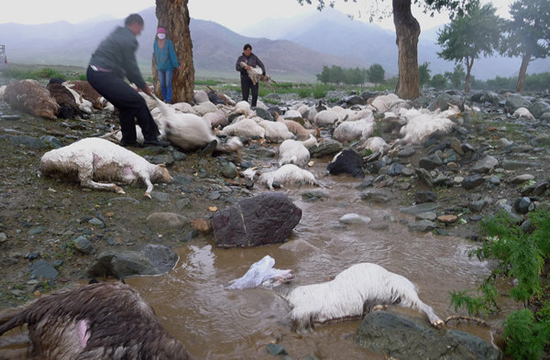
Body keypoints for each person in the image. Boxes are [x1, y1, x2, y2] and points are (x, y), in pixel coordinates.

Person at [87, 13, 168, 147]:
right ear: (135, 24)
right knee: (138, 101)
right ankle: (151, 138)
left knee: (126, 104)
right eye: (140, 29)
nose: (140, 33)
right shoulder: (128, 38)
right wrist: (142, 85)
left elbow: (124, 64)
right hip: (103, 74)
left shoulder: (119, 35)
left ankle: (129, 140)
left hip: (95, 74)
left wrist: (137, 83)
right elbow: (130, 66)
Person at [153, 27, 180, 104]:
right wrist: (157, 64)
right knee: (162, 84)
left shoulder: (169, 42)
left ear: (165, 34)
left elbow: (172, 54)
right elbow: (155, 54)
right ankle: (164, 98)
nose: (161, 35)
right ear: (157, 34)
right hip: (160, 67)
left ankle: (168, 100)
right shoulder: (155, 43)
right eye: (159, 33)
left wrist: (176, 64)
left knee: (168, 84)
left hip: (169, 67)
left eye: (162, 33)